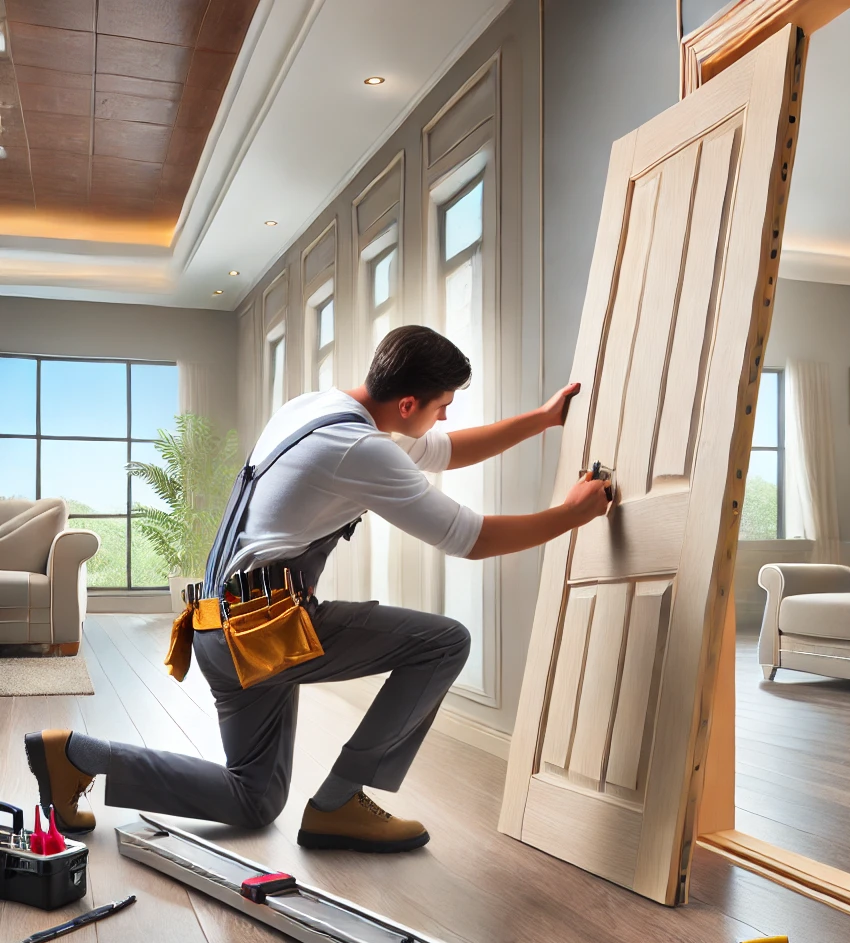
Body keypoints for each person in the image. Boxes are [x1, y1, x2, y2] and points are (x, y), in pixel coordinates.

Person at [25, 325, 610, 853]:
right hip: (263, 633)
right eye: (441, 406)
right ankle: (338, 803)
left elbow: (445, 452)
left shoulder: (315, 408)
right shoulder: (362, 448)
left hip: (216, 624)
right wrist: (571, 515)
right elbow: (468, 538)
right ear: (407, 403)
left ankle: (76, 754)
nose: (445, 418)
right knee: (445, 642)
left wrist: (545, 419)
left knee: (254, 801)